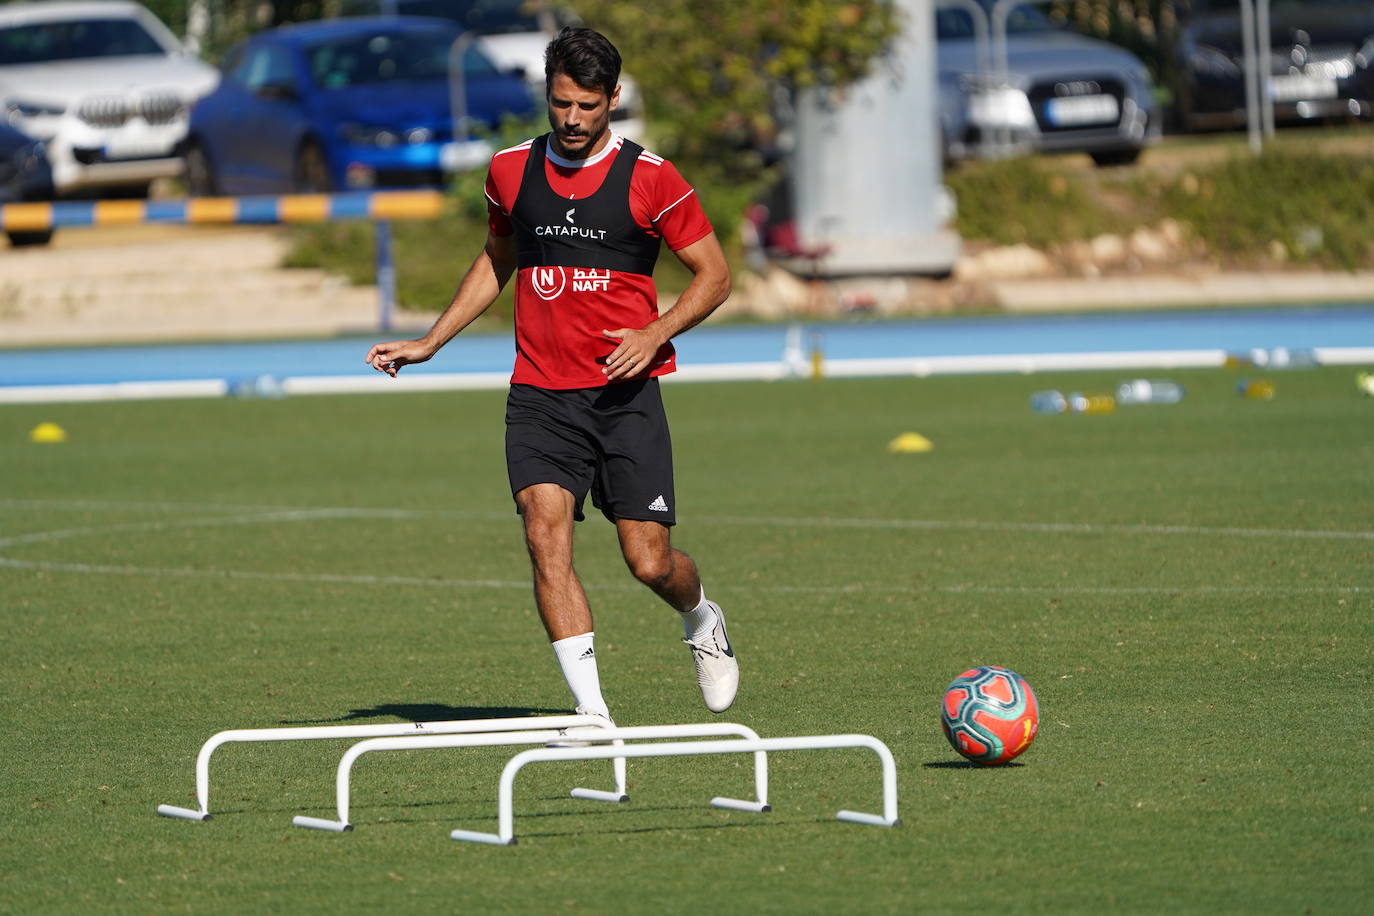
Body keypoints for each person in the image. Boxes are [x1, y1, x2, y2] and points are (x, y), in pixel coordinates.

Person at [365, 26, 737, 721]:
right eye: (561, 103)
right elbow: (497, 257)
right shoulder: (510, 171)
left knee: (649, 563)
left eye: (588, 106)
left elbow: (715, 277)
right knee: (544, 534)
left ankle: (702, 621)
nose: (572, 119)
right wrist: (432, 340)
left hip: (624, 397)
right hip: (539, 394)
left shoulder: (652, 178)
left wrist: (655, 332)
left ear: (613, 99)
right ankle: (592, 715)